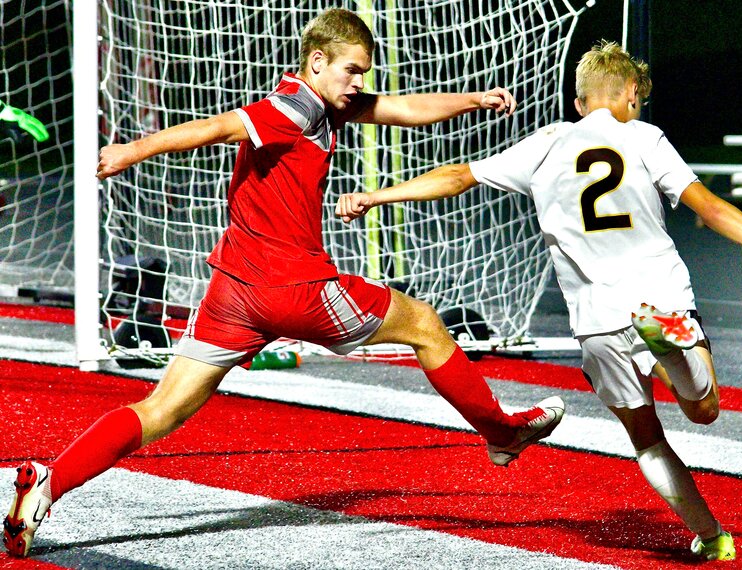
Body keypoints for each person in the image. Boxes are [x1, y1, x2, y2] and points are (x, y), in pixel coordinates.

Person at [3, 9, 565, 558]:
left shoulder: (332, 102)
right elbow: (218, 127)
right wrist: (133, 150)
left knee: (161, 410)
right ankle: (501, 431)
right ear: (317, 61)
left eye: (364, 72)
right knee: (421, 322)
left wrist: (475, 99)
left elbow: (403, 107)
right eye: (352, 71)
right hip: (294, 290)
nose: (359, 83)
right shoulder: (294, 104)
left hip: (233, 294)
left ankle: (47, 484)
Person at [334, 40, 742, 562]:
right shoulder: (643, 137)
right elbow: (708, 206)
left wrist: (377, 196)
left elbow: (459, 177)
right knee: (703, 410)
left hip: (596, 319)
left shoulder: (546, 143)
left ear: (578, 104)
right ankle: (675, 352)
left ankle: (714, 540)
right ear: (633, 94)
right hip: (657, 294)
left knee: (647, 439)